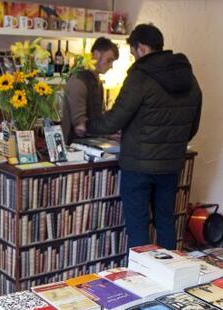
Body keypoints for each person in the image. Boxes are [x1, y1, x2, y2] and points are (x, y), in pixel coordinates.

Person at [87, 24, 202, 249]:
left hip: (138, 166)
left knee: (138, 226)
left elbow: (115, 119)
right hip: (170, 164)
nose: (133, 58)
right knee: (165, 221)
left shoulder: (140, 76)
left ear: (140, 48)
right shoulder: (188, 75)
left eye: (132, 53)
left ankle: (141, 280)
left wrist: (87, 126)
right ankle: (168, 277)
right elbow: (193, 123)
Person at [61, 37, 119, 145]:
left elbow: (98, 115)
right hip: (74, 144)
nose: (111, 66)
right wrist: (80, 123)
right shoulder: (79, 80)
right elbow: (80, 124)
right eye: (109, 60)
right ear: (96, 54)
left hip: (89, 143)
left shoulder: (96, 80)